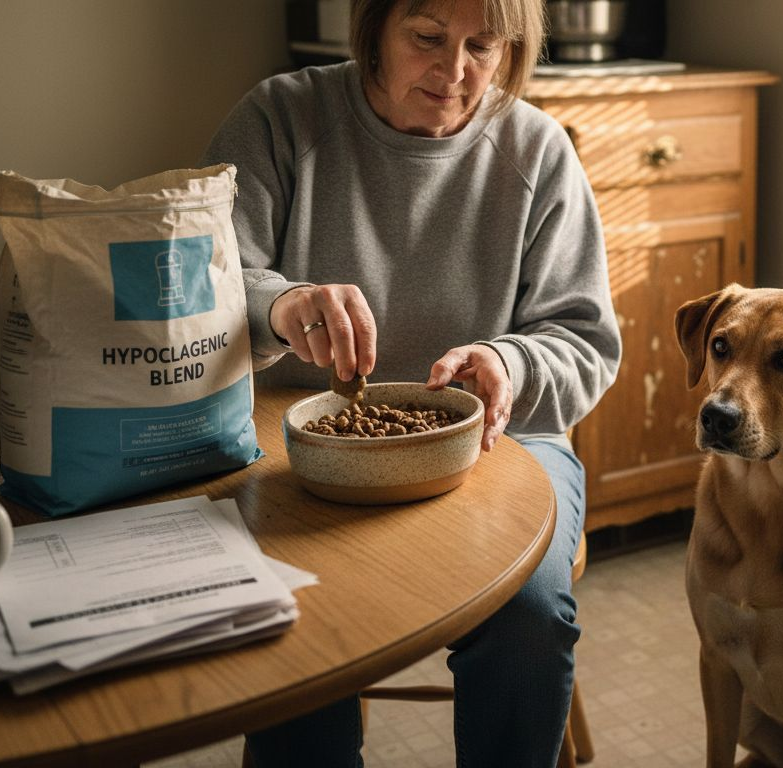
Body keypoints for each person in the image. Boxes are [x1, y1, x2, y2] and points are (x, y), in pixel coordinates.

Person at [200, 0, 621, 764]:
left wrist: (510, 362)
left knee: (529, 617)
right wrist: (280, 305)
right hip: (300, 447)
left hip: (501, 444)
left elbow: (585, 341)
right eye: (427, 37)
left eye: (482, 47)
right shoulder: (281, 118)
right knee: (286, 612)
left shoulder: (539, 149)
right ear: (374, 27)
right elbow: (207, 286)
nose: (453, 71)